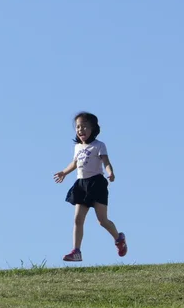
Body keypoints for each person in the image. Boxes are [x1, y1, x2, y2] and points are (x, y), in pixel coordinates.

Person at [54, 112, 127, 261]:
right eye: (78, 127)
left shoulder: (99, 145)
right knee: (78, 219)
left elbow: (106, 161)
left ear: (93, 128)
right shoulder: (77, 147)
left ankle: (119, 238)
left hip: (96, 183)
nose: (81, 130)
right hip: (81, 184)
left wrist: (110, 172)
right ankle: (76, 251)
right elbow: (75, 163)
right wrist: (64, 172)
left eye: (84, 127)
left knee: (102, 221)